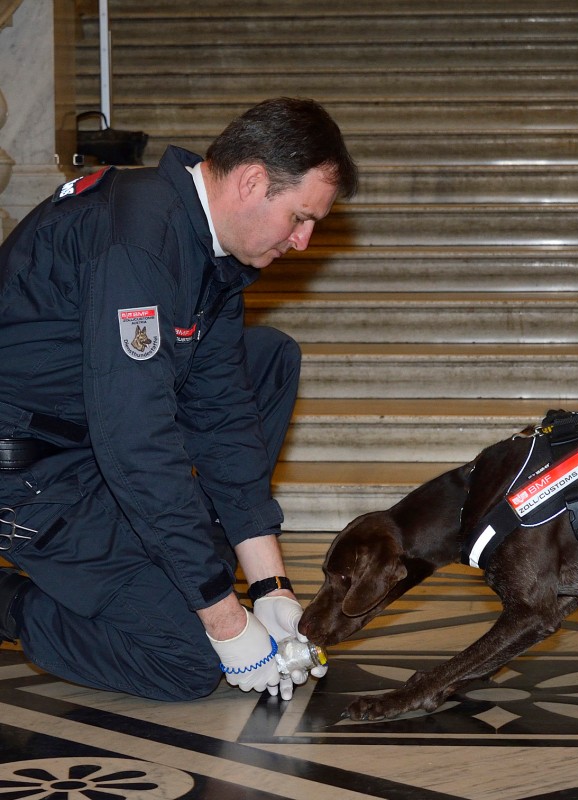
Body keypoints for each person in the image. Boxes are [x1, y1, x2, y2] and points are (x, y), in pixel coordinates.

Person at [0, 97, 358, 701]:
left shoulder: (205, 249)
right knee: (188, 661)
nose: (303, 241)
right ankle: (12, 605)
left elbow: (223, 418)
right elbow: (136, 442)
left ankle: (190, 562)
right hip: (28, 477)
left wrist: (271, 589)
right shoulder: (138, 245)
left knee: (266, 357)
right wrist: (224, 623)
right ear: (252, 181)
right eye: (301, 217)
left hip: (90, 445)